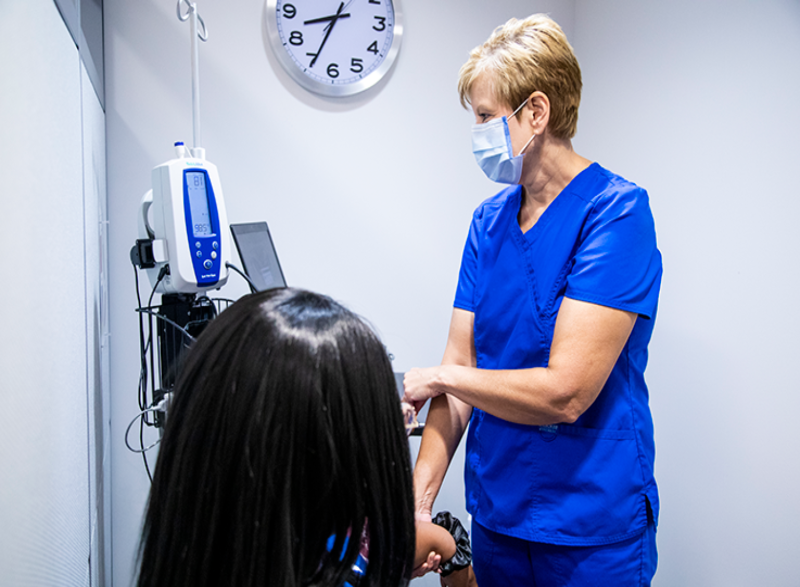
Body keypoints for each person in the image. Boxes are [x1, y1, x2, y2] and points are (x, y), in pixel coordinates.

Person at [403, 14, 662, 586]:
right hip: (498, 517)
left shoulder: (615, 214)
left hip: (591, 531)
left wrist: (441, 377)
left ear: (535, 113)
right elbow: (461, 370)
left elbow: (566, 391)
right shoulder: (488, 223)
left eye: (485, 117)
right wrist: (418, 510)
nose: (476, 133)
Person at [136, 287, 473, 587]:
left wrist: (441, 542)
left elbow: (435, 541)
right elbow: (438, 543)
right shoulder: (347, 555)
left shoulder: (202, 536)